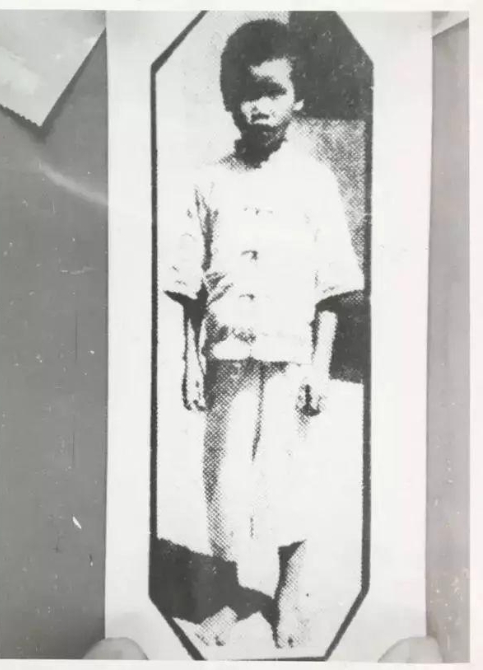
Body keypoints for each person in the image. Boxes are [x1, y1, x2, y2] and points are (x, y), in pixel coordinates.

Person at [165, 19, 364, 649]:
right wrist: (191, 361)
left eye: (274, 91)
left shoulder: (314, 182)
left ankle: (289, 593)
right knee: (224, 476)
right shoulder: (209, 182)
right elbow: (190, 285)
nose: (260, 106)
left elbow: (332, 286)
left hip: (290, 358)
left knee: (286, 475)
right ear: (230, 99)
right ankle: (229, 595)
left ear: (297, 98)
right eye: (247, 92)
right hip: (225, 353)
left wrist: (320, 365)